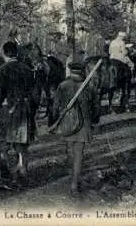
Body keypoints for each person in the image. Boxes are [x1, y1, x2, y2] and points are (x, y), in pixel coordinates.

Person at [0, 41, 36, 190]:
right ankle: (22, 177)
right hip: (24, 110)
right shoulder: (28, 70)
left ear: (4, 53)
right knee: (21, 145)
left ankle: (5, 179)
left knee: (2, 145)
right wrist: (32, 111)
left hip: (6, 111)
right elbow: (35, 94)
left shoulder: (2, 71)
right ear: (17, 53)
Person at [51, 61, 100, 197]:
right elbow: (96, 108)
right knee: (79, 153)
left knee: (69, 150)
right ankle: (74, 184)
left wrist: (54, 120)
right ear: (82, 71)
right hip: (84, 124)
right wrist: (94, 120)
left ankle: (70, 175)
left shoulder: (63, 85)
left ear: (70, 71)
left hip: (67, 123)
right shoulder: (90, 86)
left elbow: (55, 107)